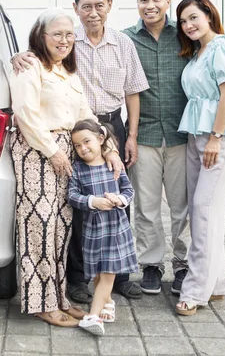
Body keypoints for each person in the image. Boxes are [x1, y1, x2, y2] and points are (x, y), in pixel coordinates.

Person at [12, 0, 148, 303]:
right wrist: (17, 55)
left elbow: (119, 97)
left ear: (110, 5)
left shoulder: (106, 50)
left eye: (99, 5)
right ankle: (68, 286)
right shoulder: (47, 56)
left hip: (100, 128)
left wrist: (115, 143)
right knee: (63, 215)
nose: (93, 12)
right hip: (58, 142)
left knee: (95, 209)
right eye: (86, 6)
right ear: (76, 10)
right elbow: (26, 107)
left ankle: (113, 277)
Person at [9, 7, 123, 327]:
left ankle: (58, 296)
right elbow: (25, 114)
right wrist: (52, 151)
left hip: (64, 152)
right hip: (37, 151)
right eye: (57, 34)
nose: (64, 40)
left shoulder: (68, 71)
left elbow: (85, 117)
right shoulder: (30, 66)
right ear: (41, 36)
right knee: (40, 229)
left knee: (61, 229)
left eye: (69, 34)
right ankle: (41, 303)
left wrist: (109, 147)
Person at [174, 0, 225, 316]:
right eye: (183, 21)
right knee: (203, 210)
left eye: (194, 17)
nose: (188, 25)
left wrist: (216, 138)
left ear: (208, 15)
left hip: (218, 137)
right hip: (195, 135)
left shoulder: (220, 47)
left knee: (204, 210)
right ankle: (216, 282)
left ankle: (195, 290)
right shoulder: (198, 52)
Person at [123, 0, 190, 295]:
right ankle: (151, 265)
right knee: (146, 206)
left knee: (183, 206)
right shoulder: (125, 39)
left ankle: (183, 265)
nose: (149, 5)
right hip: (145, 135)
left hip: (182, 135)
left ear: (167, 1)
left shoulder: (186, 35)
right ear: (137, 3)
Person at [68, 119, 137, 336]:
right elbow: (71, 195)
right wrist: (92, 202)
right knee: (98, 274)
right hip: (93, 230)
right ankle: (108, 303)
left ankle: (93, 316)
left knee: (108, 274)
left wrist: (119, 199)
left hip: (115, 230)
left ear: (100, 139)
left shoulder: (113, 165)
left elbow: (129, 190)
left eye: (86, 141)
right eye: (77, 145)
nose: (83, 148)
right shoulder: (78, 169)